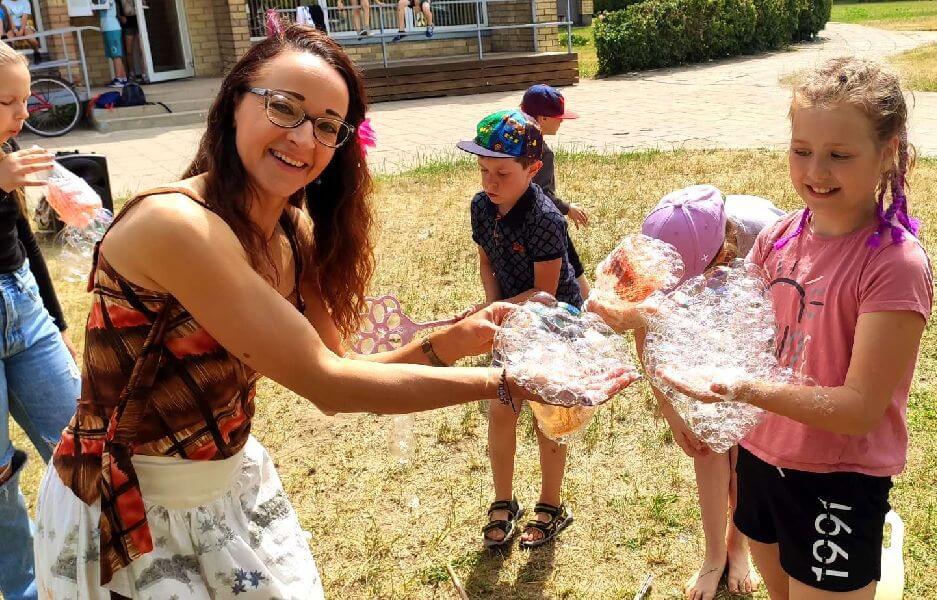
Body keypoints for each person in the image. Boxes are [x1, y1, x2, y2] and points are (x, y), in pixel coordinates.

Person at [32, 26, 634, 598]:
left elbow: (339, 371)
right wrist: (505, 382)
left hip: (224, 488)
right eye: (284, 107)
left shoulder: (292, 231)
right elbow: (331, 384)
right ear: (233, 104)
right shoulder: (177, 225)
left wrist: (458, 339)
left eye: (327, 125)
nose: (303, 139)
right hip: (131, 507)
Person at [659, 57, 932, 599]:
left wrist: (741, 389)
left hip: (839, 478)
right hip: (763, 460)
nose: (816, 172)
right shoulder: (778, 239)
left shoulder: (893, 266)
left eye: (839, 155)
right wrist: (647, 318)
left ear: (888, 154)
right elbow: (737, 338)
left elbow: (858, 409)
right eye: (801, 151)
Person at [593, 184, 782, 600]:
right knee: (705, 443)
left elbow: (774, 335)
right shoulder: (648, 258)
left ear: (717, 258)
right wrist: (674, 411)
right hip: (702, 335)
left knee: (748, 448)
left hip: (753, 334)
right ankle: (714, 553)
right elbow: (649, 337)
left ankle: (739, 544)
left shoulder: (766, 243)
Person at [457, 109, 583, 549]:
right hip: (510, 321)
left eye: (502, 173)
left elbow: (545, 293)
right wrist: (494, 306)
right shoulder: (480, 207)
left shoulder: (546, 219)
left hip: (553, 322)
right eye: (483, 170)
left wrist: (495, 311)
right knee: (502, 410)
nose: (490, 182)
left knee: (549, 415)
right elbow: (487, 261)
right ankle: (503, 499)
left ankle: (551, 503)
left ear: (532, 169)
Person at [0, 40, 81, 600]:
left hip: (22, 309)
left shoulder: (7, 146)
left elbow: (23, 239)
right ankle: (28, 589)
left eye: (26, 99)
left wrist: (56, 322)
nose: (25, 114)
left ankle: (111, 570)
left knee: (85, 442)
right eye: (9, 102)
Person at [521, 84, 591, 297]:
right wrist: (568, 208)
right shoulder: (543, 151)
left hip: (517, 223)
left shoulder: (514, 142)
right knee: (570, 262)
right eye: (558, 117)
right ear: (542, 119)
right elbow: (541, 194)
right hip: (544, 223)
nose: (561, 121)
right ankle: (588, 302)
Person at [99, 0, 128, 88]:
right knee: (114, 55)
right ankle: (123, 78)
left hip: (111, 28)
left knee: (116, 54)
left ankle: (118, 79)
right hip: (107, 28)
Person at [115, 0, 143, 83]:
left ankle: (144, 73)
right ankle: (132, 73)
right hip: (128, 24)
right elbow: (117, 11)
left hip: (139, 22)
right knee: (129, 51)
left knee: (142, 50)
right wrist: (120, 17)